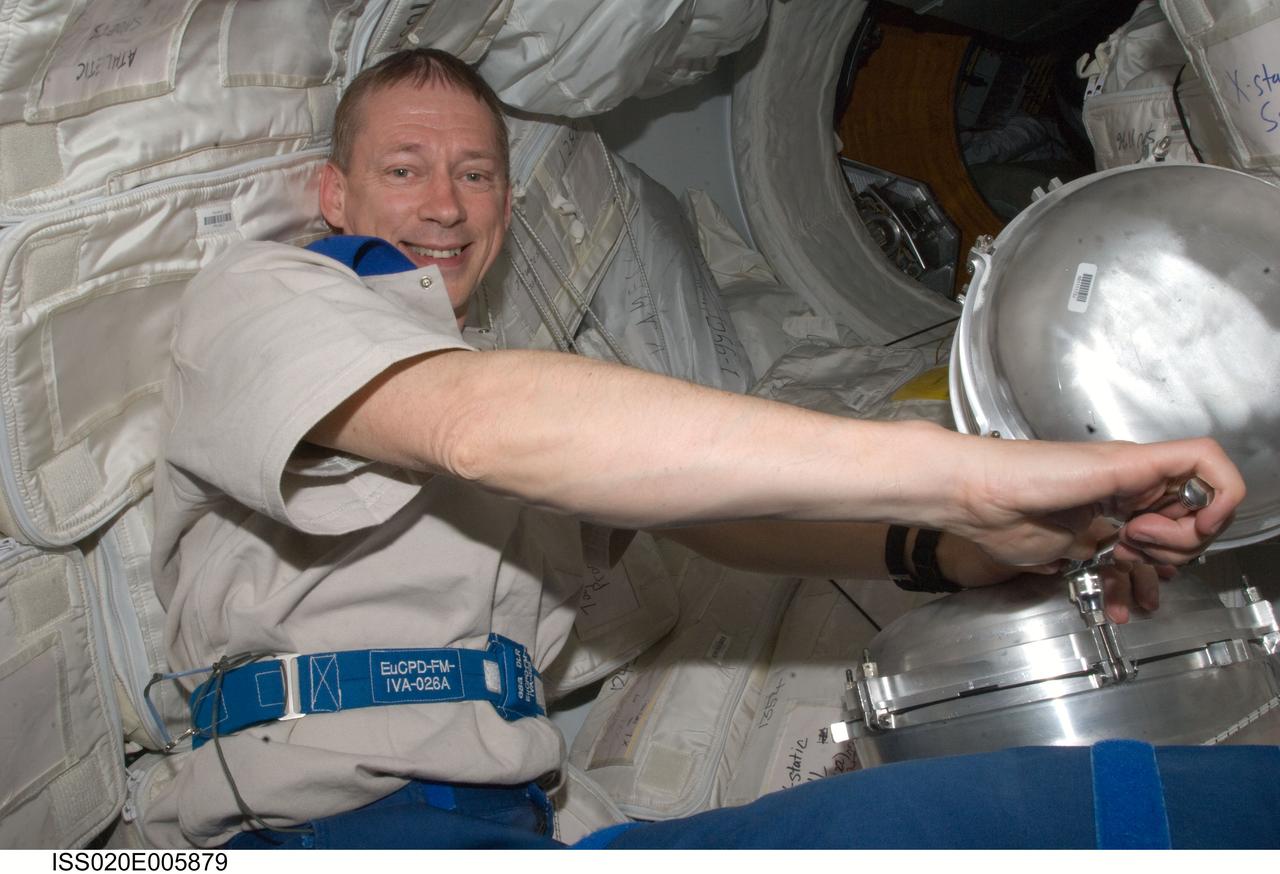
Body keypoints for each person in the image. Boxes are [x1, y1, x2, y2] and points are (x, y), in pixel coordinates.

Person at [144, 48, 1246, 849]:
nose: (444, 204)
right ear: (334, 192)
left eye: (475, 173)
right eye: (405, 168)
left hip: (520, 824)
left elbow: (713, 512)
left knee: (1055, 810)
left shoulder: (535, 392)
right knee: (987, 825)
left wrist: (953, 547)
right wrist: (968, 469)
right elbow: (469, 424)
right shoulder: (266, 298)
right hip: (319, 824)